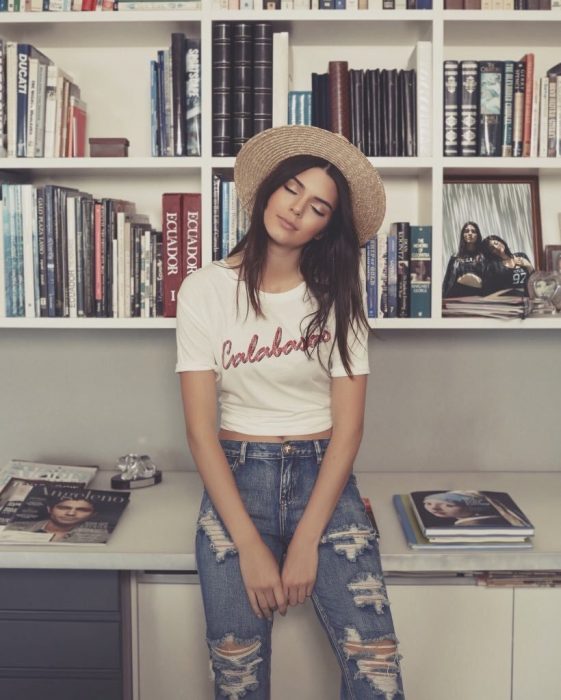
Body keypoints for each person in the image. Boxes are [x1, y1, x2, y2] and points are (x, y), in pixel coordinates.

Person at [176, 125, 403, 700]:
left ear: (328, 225)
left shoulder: (338, 293)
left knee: (376, 671)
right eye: (292, 190)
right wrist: (250, 546)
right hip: (235, 478)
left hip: (323, 479)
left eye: (318, 206)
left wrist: (306, 541)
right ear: (268, 192)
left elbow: (349, 430)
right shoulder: (204, 290)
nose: (298, 210)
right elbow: (201, 433)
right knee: (237, 678)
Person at [442, 221, 484, 298]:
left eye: (473, 231)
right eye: (466, 231)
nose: (470, 233)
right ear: (463, 235)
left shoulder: (483, 257)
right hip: (457, 299)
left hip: (479, 300)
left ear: (478, 235)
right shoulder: (455, 257)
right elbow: (447, 281)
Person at [422, 491, 510, 528]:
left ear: (475, 507)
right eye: (428, 503)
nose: (433, 508)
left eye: (449, 505)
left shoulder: (475, 525)